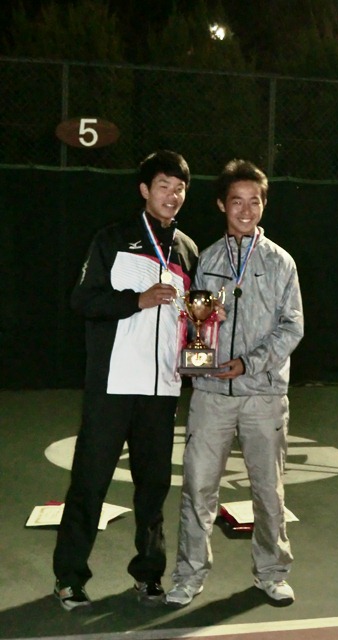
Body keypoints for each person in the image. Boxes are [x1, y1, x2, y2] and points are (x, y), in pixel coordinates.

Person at [52, 149, 198, 611]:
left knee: (153, 488)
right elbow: (83, 300)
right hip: (113, 386)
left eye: (179, 188)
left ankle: (149, 575)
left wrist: (196, 345)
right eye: (163, 186)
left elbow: (190, 320)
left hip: (162, 390)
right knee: (90, 482)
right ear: (144, 190)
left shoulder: (187, 249)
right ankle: (70, 577)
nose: (172, 195)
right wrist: (137, 300)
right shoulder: (112, 239)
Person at [164, 159, 304, 608]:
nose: (245, 210)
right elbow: (192, 320)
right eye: (237, 201)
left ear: (263, 205)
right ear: (222, 205)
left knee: (268, 490)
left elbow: (292, 327)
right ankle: (188, 576)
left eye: (254, 202)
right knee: (197, 488)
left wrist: (248, 363)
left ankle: (272, 573)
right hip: (211, 395)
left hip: (263, 394)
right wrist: (201, 343)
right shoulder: (206, 259)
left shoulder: (280, 262)